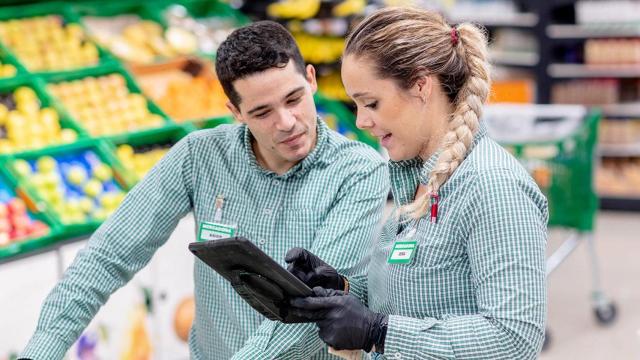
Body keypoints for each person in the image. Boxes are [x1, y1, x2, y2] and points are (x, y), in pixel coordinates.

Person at [20, 21, 389, 360]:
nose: (287, 122)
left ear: (310, 79)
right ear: (235, 111)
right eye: (262, 112)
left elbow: (314, 312)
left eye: (293, 99)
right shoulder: (199, 156)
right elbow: (106, 258)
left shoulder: (358, 171)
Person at [286, 7, 548, 359]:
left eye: (371, 103)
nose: (361, 121)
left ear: (421, 85)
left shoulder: (491, 186)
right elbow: (418, 296)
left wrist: (378, 332)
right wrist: (343, 289)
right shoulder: (417, 179)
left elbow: (514, 337)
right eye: (356, 105)